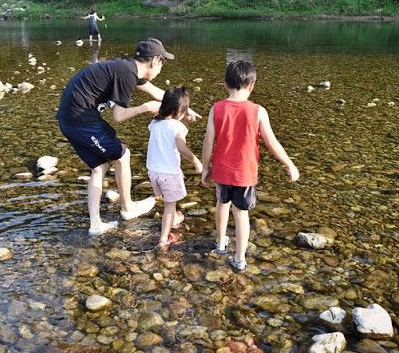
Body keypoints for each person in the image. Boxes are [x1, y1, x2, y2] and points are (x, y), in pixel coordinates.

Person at [57, 38, 200, 235]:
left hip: (72, 118)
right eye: (162, 63)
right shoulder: (127, 74)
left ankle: (95, 224)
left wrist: (186, 109)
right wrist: (146, 107)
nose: (161, 69)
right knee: (123, 155)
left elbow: (157, 92)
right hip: (79, 120)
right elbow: (119, 116)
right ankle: (127, 208)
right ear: (154, 61)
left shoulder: (128, 69)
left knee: (99, 167)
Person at [201, 60, 300, 271]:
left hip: (221, 171)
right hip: (244, 174)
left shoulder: (216, 109)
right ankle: (239, 259)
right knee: (241, 214)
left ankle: (220, 244)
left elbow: (208, 141)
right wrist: (289, 164)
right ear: (252, 85)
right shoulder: (258, 111)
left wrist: (205, 168)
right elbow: (271, 142)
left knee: (222, 204)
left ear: (225, 84)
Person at [146, 87, 203, 247]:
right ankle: (164, 239)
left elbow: (167, 122)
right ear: (179, 111)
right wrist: (196, 161)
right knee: (169, 207)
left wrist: (183, 117)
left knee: (168, 198)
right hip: (168, 174)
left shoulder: (154, 123)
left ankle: (175, 219)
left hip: (153, 173)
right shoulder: (177, 127)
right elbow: (181, 146)